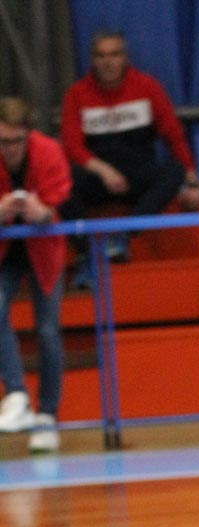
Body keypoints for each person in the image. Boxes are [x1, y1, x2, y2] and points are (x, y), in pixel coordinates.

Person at [60, 30, 199, 288]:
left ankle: (123, 238)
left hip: (137, 175)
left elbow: (172, 134)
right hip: (98, 177)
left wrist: (192, 179)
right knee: (62, 183)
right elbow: (72, 147)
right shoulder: (76, 94)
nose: (108, 62)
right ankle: (86, 255)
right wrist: (103, 171)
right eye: (102, 55)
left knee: (174, 170)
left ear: (125, 57)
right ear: (92, 60)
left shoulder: (147, 87)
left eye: (114, 54)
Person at [0, 97, 71, 453]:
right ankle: (17, 395)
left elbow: (58, 195)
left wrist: (41, 211)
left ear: (27, 135)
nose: (10, 149)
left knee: (47, 331)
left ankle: (46, 416)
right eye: (3, 142)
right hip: (4, 253)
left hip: (44, 249)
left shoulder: (48, 151)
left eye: (16, 141)